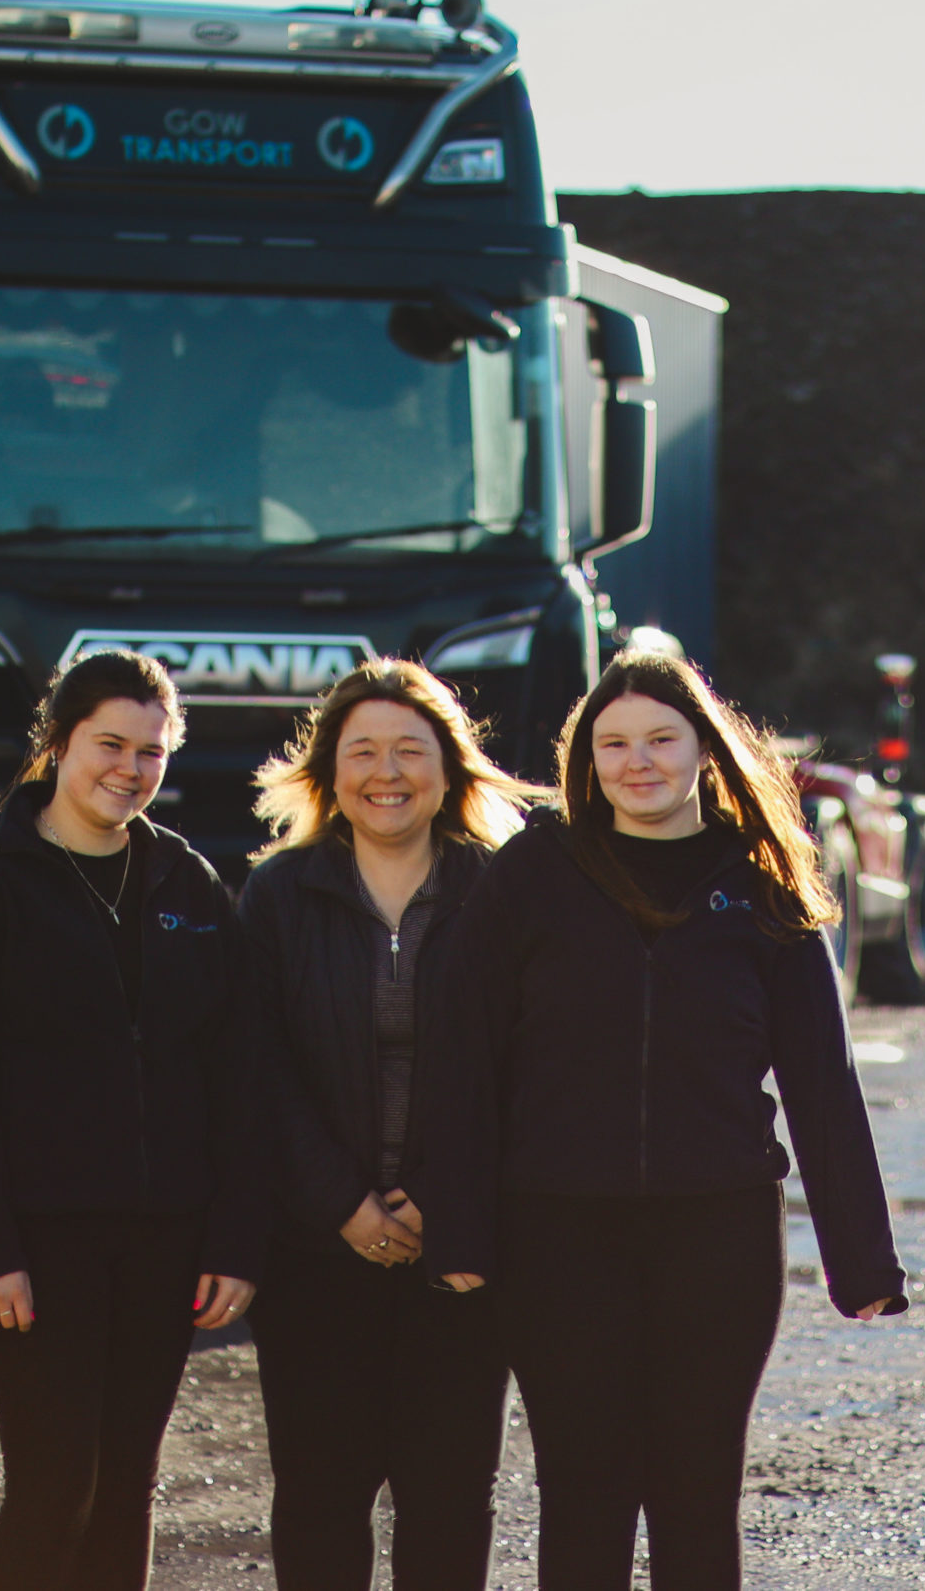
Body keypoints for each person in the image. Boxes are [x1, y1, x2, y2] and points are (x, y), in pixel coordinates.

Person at [417, 650, 908, 1591]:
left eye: (659, 739)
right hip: (557, 1234)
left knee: (696, 1496)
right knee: (582, 1493)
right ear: (586, 759)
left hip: (716, 1237)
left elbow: (823, 1081)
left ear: (702, 748)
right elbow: (463, 1057)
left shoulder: (759, 880)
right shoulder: (533, 872)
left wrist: (863, 1262)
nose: (636, 761)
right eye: (613, 743)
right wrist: (460, 1227)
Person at [0, 649, 267, 1591]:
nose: (130, 768)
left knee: (126, 1484)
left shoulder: (187, 883)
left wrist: (233, 1235)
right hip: (40, 1242)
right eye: (110, 743)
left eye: (152, 751)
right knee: (55, 1482)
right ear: (58, 742)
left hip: (167, 1240)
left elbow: (236, 1074)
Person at [239, 658, 539, 1589]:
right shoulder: (280, 896)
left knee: (450, 1503)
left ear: (450, 770)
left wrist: (443, 1200)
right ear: (329, 773)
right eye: (362, 750)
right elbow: (255, 1069)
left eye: (411, 750)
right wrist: (346, 1204)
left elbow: (530, 1068)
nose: (387, 771)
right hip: (314, 1257)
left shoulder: (506, 892)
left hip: (463, 1256)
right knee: (321, 1499)